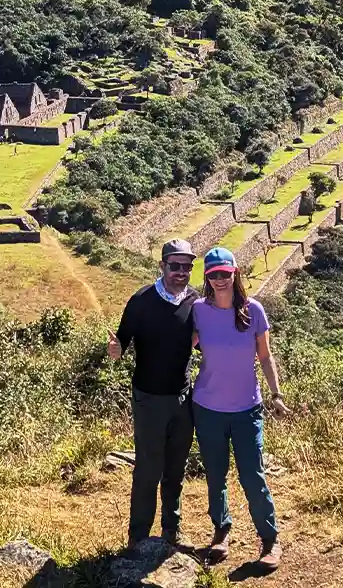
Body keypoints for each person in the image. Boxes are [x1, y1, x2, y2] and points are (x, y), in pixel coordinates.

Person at [191, 246, 289, 569]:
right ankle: (221, 532)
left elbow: (265, 356)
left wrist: (276, 395)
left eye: (225, 273)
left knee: (252, 475)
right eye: (213, 275)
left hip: (247, 409)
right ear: (207, 278)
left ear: (235, 274)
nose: (220, 280)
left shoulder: (254, 310)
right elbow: (177, 347)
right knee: (215, 475)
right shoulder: (199, 312)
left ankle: (270, 540)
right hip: (208, 408)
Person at [108, 239, 198, 549]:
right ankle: (139, 538)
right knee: (148, 467)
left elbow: (201, 340)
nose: (181, 272)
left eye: (187, 267)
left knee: (176, 467)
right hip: (149, 398)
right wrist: (114, 350)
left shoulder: (195, 301)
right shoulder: (141, 300)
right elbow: (120, 344)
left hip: (183, 398)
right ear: (162, 266)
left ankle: (171, 532)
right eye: (175, 266)